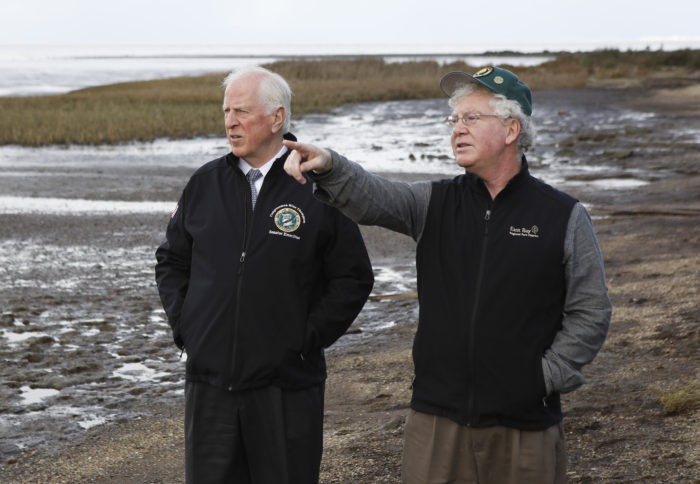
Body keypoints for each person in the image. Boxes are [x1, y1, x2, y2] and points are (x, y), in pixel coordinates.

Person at [283, 66, 612, 483]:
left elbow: (592, 310)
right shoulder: (433, 203)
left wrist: (545, 377)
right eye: (454, 120)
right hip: (436, 419)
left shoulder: (562, 215)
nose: (457, 128)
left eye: (471, 118)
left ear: (512, 130)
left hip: (525, 424)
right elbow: (374, 198)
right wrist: (329, 166)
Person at [154, 65, 374, 484]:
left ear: (277, 118)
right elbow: (172, 261)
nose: (230, 122)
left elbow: (353, 278)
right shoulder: (205, 183)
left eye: (241, 111)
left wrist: (304, 339)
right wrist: (187, 328)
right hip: (211, 386)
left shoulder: (316, 186)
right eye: (225, 112)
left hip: (286, 387)